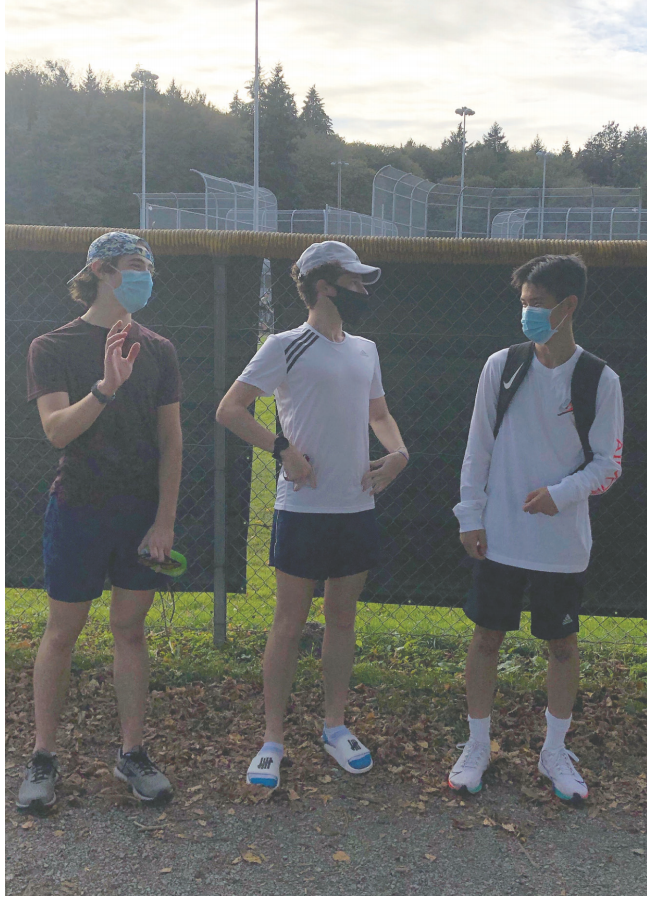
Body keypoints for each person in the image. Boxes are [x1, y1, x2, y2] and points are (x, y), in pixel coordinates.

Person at [216, 240, 409, 789]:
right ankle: (272, 740)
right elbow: (230, 410)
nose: (365, 291)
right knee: (288, 623)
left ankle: (334, 727)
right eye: (355, 281)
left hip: (356, 506)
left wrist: (399, 455)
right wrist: (283, 450)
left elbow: (380, 413)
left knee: (342, 620)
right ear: (325, 285)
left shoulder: (366, 349)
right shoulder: (285, 344)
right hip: (301, 509)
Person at [450, 254, 623, 801]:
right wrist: (470, 515)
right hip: (498, 538)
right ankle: (477, 746)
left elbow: (609, 464)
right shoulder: (501, 365)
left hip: (561, 545)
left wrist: (561, 495)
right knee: (485, 639)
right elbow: (478, 447)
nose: (526, 313)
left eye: (537, 305)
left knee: (563, 647)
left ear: (568, 306)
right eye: (523, 303)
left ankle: (554, 752)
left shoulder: (600, 378)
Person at [19, 232, 183, 810]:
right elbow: (57, 430)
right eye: (136, 266)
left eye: (150, 268)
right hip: (79, 509)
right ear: (101, 270)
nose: (145, 277)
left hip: (139, 517)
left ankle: (132, 754)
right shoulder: (52, 345)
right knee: (62, 633)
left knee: (130, 631)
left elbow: (171, 441)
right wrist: (106, 388)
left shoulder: (159, 348)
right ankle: (42, 759)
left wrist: (163, 521)